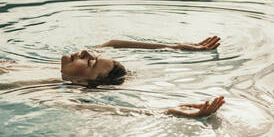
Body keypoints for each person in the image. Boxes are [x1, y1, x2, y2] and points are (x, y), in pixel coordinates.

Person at [59, 36, 224, 118]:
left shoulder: (53, 87)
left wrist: (166, 112)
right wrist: (174, 47)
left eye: (90, 63)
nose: (86, 52)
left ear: (81, 82)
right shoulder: (67, 70)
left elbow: (85, 108)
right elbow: (113, 44)